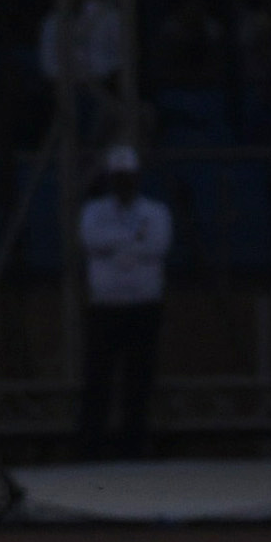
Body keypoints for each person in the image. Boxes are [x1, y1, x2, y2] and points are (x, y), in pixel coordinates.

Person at [76, 144, 175, 461]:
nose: (123, 183)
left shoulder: (156, 212)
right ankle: (92, 447)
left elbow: (158, 245)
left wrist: (116, 244)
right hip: (106, 306)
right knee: (98, 379)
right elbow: (92, 241)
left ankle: (134, 445)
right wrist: (132, 241)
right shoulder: (93, 212)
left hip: (143, 305)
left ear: (137, 178)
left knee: (139, 379)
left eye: (128, 177)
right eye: (118, 177)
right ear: (110, 179)